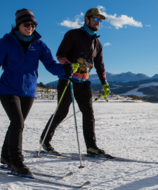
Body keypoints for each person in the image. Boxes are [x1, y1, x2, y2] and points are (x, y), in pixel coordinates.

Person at [0, 8, 72, 175]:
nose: (30, 27)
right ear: (18, 24)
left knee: (16, 124)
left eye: (33, 25)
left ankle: (6, 156)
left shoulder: (39, 45)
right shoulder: (6, 43)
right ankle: (16, 161)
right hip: (9, 90)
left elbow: (51, 65)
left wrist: (64, 69)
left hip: (28, 92)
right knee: (18, 123)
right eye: (26, 24)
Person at [39, 8, 112, 158]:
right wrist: (67, 64)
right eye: (95, 19)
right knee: (62, 112)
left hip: (84, 83)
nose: (98, 23)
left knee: (89, 114)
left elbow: (100, 66)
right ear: (86, 19)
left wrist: (105, 84)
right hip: (68, 81)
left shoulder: (97, 44)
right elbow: (60, 54)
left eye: (100, 20)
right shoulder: (73, 35)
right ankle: (45, 140)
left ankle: (91, 147)